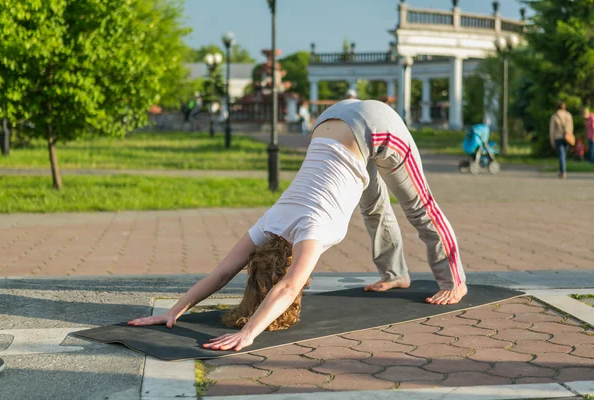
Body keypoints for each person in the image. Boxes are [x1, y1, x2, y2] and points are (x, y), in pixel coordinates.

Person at [128, 100, 467, 352]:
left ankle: (455, 280)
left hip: (376, 125)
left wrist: (249, 334)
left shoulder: (311, 231)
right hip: (329, 122)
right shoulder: (268, 224)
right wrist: (173, 312)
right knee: (371, 204)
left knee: (420, 206)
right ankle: (395, 275)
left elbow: (288, 287)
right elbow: (221, 274)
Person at [549, 101, 574, 179]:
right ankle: (561, 170)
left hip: (558, 137)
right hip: (567, 137)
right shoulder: (568, 115)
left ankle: (563, 172)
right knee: (563, 155)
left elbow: (552, 130)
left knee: (561, 155)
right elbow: (571, 127)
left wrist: (552, 141)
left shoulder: (555, 116)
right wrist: (570, 136)